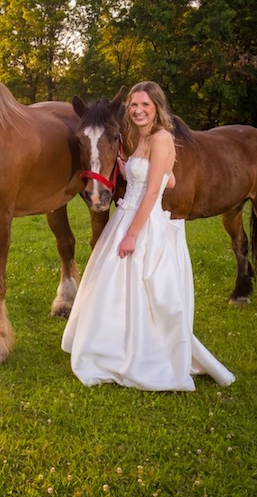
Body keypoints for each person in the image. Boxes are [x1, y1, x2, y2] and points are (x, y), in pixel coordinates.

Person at [60, 81, 234, 390]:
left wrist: (132, 234)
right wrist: (134, 169)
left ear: (157, 108)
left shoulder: (163, 137)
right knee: (113, 286)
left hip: (142, 220)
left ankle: (142, 353)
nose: (139, 111)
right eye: (134, 106)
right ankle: (113, 346)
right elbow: (170, 179)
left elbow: (154, 191)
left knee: (145, 288)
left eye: (146, 106)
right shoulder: (139, 138)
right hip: (127, 213)